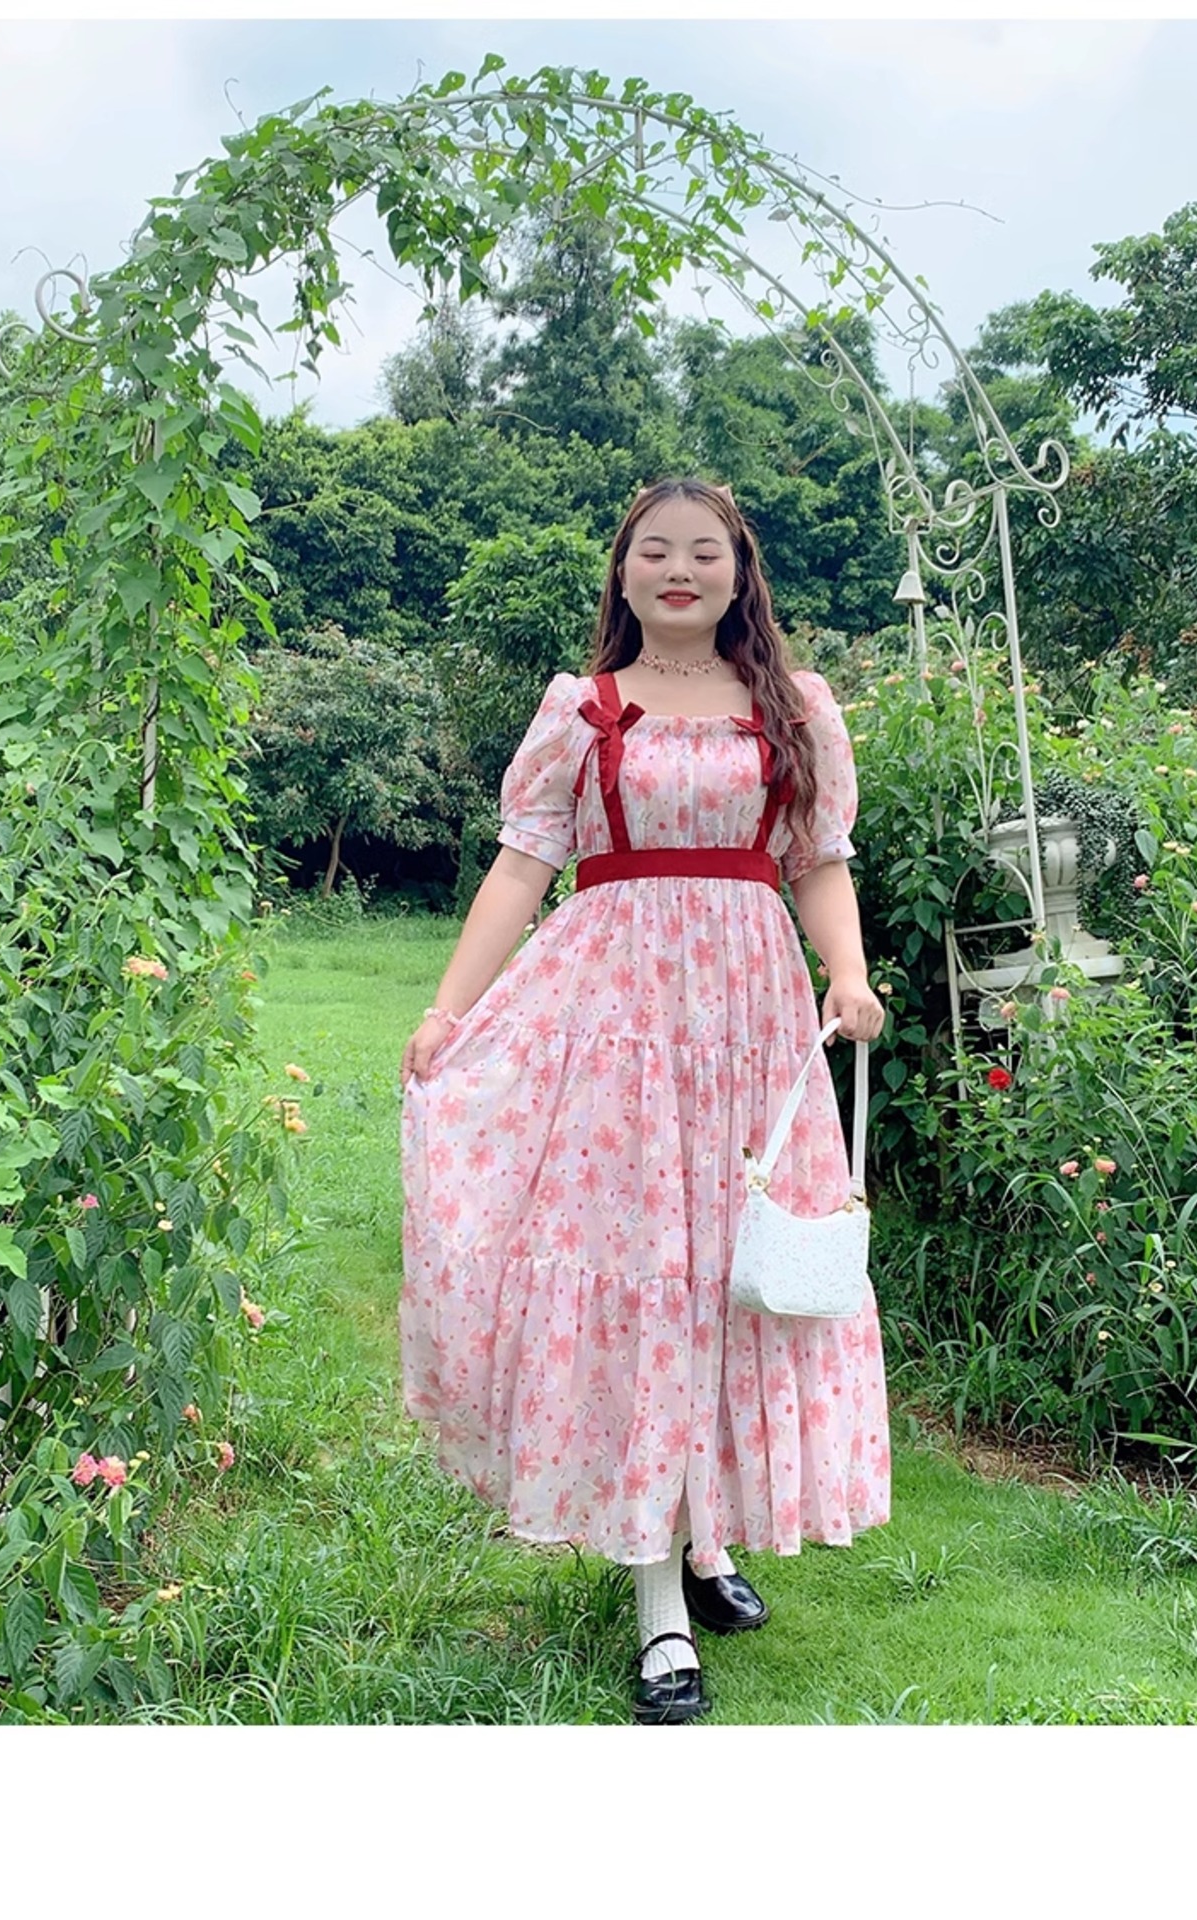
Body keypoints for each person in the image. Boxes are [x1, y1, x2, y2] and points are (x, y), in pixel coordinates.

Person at [399, 478, 889, 1725]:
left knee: (729, 1276)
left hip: (747, 1024)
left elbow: (816, 863)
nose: (679, 570)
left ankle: (704, 1536)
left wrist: (846, 973)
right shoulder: (583, 709)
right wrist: (449, 1012)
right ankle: (657, 1601)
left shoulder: (793, 708)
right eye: (655, 551)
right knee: (645, 1281)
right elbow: (522, 869)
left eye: (704, 552)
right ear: (622, 573)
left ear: (739, 572)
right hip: (616, 1029)